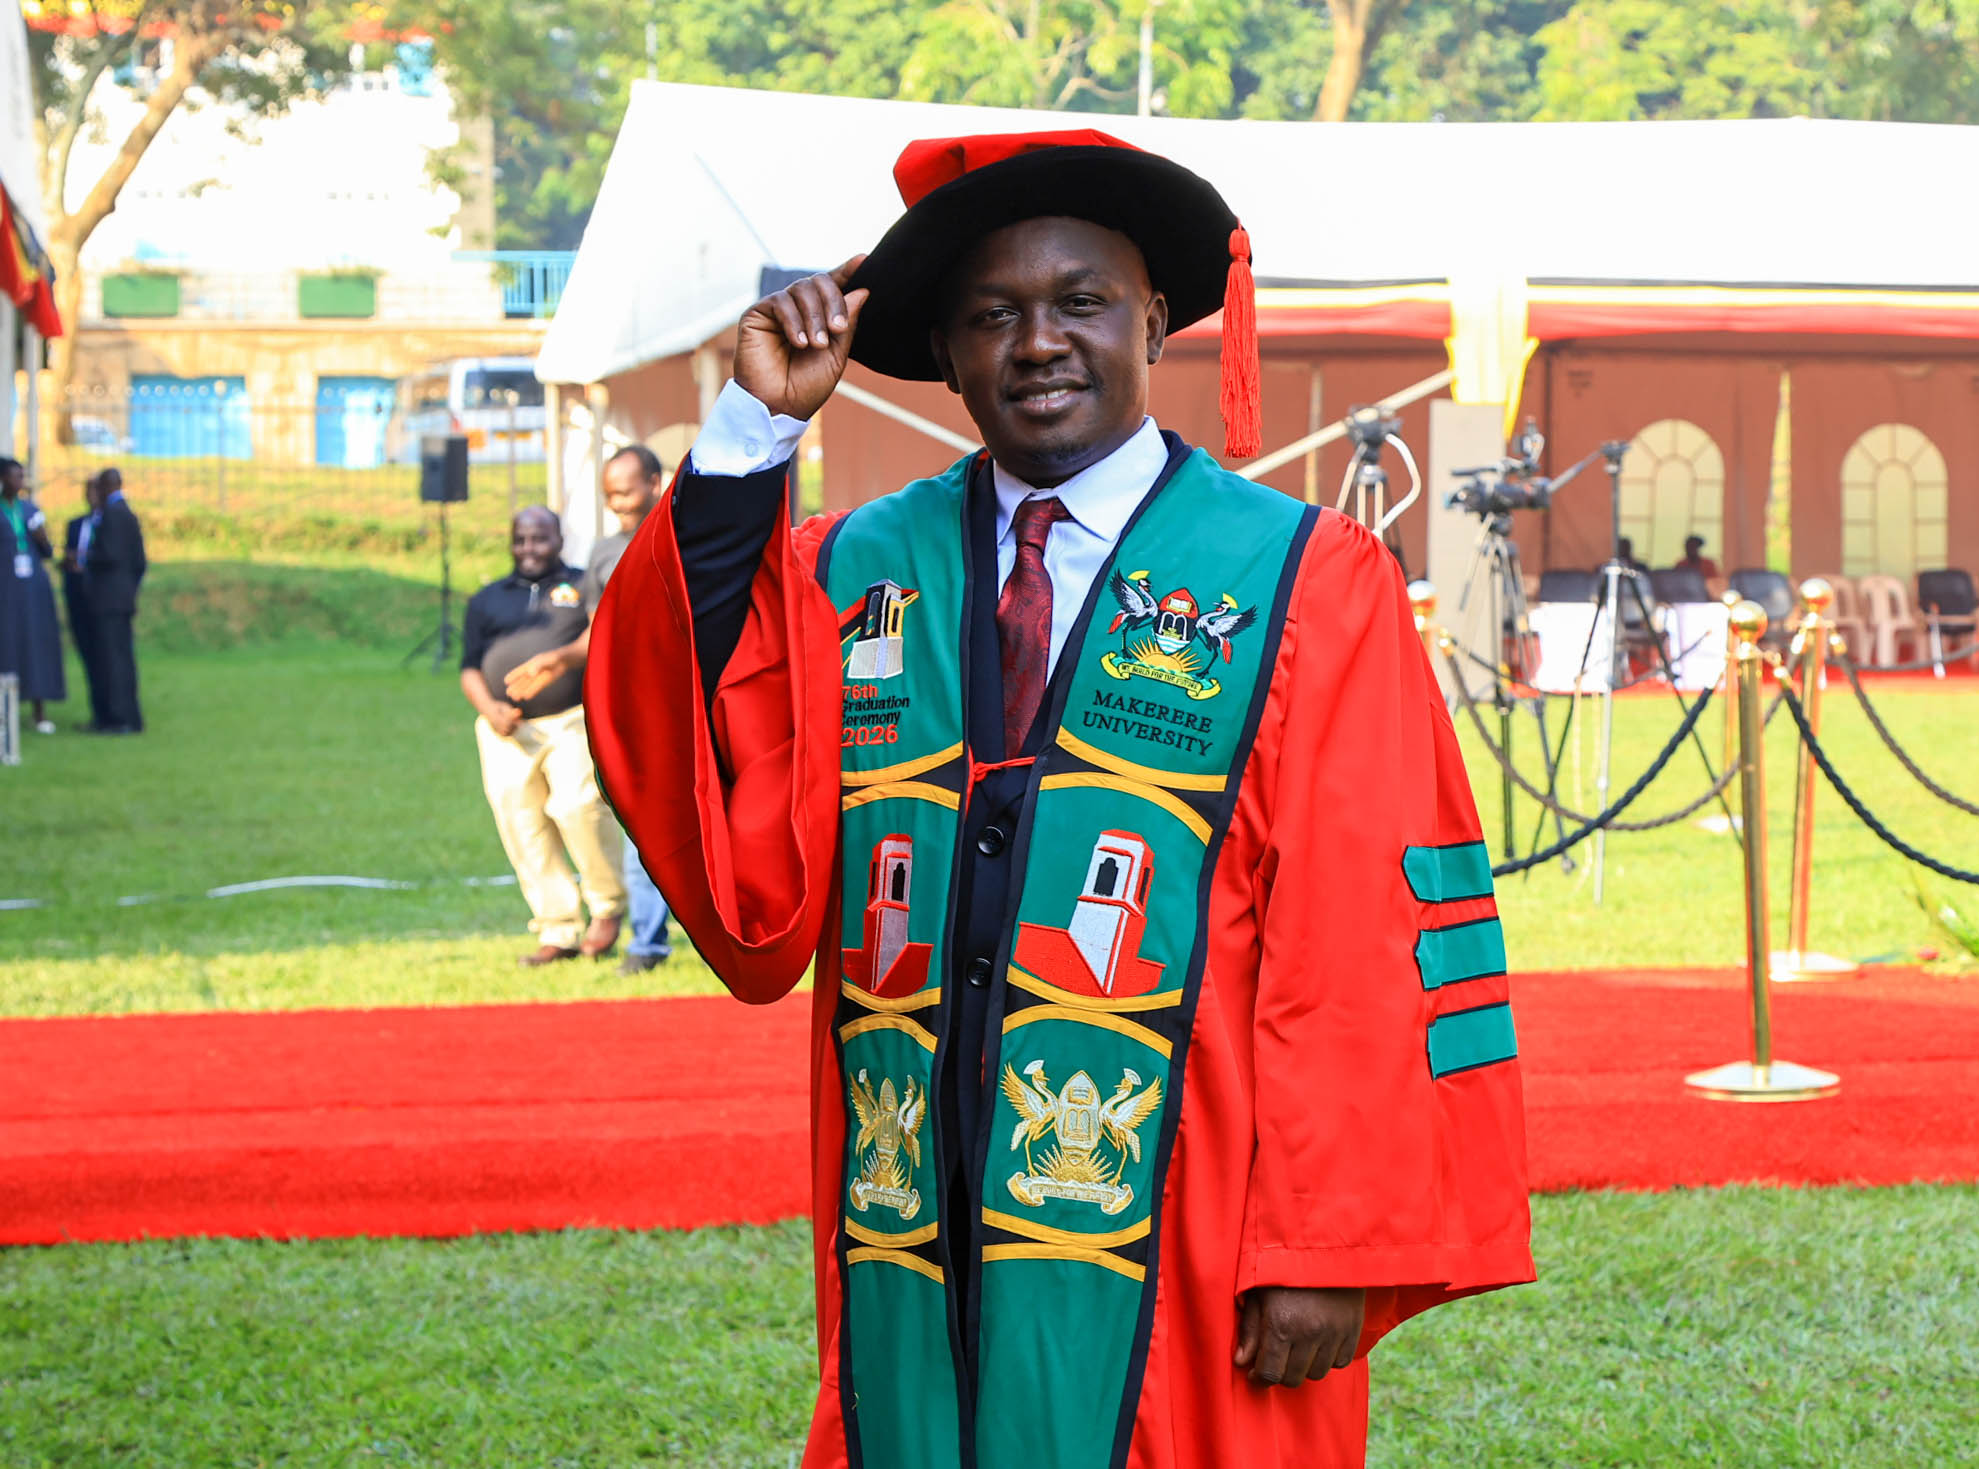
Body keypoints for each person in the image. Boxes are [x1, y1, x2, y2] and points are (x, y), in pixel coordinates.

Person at [589, 131, 1531, 1468]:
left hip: (1186, 1219)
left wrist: (1328, 1241)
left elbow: (1364, 931)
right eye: (993, 314)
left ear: (1152, 320)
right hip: (910, 1203)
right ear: (947, 349)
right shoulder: (858, 566)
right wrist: (751, 432)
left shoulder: (1304, 577)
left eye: (1079, 301)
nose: (1039, 342)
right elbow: (676, 706)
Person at [503, 445, 674, 976]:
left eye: (625, 490)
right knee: (638, 818)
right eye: (608, 494)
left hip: (685, 697)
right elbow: (598, 629)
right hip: (631, 703)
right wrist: (557, 659)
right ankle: (646, 943)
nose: (618, 503)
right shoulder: (603, 553)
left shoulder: (682, 537)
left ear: (653, 482)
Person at [461, 505, 626, 966]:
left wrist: (556, 661)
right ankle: (558, 928)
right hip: (505, 731)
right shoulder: (487, 599)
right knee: (523, 825)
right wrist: (490, 709)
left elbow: (603, 635)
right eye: (521, 539)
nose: (530, 549)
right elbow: (469, 667)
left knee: (578, 807)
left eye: (540, 538)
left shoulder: (581, 585)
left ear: (559, 540)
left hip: (571, 719)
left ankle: (608, 907)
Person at [0, 459, 66, 733]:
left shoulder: (30, 510)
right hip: (6, 590)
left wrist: (42, 537)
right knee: (8, 645)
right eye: (16, 476)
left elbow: (48, 553)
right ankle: (6, 712)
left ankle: (40, 711)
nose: (21, 482)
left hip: (33, 591)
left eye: (23, 476)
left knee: (36, 643)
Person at [80, 467, 146, 734]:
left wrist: (83, 558)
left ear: (107, 486)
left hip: (108, 600)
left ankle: (118, 718)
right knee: (122, 657)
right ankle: (128, 716)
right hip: (121, 598)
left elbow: (110, 555)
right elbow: (139, 562)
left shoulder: (113, 515)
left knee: (112, 659)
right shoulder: (128, 514)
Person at [58, 477, 104, 728]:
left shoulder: (112, 524)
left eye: (96, 491)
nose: (91, 496)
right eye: (88, 491)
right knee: (87, 656)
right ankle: (96, 713)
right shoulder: (75, 525)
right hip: (79, 600)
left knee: (105, 658)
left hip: (102, 601)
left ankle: (110, 711)